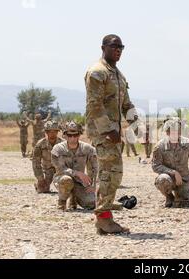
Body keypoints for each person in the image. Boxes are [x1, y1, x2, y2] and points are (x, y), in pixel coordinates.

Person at [85, 34, 137, 234]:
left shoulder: (118, 74)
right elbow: (94, 105)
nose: (118, 50)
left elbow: (126, 104)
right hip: (103, 132)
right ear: (103, 47)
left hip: (113, 131)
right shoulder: (97, 72)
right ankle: (104, 220)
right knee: (109, 173)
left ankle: (104, 218)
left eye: (121, 47)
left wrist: (136, 123)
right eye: (114, 46)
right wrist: (109, 130)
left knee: (113, 173)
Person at [152, 119, 189, 208]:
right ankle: (169, 197)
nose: (174, 133)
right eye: (171, 131)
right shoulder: (160, 146)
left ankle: (179, 197)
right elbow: (155, 165)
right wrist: (173, 172)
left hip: (185, 180)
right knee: (162, 180)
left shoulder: (188, 144)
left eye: (177, 131)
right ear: (167, 132)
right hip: (169, 179)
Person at [51, 121, 97, 211]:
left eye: (75, 135)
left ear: (79, 135)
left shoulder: (87, 149)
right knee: (67, 180)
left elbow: (95, 167)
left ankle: (74, 198)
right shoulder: (58, 149)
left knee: (91, 204)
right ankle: (62, 202)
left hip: (79, 182)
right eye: (69, 135)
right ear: (65, 135)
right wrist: (77, 173)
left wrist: (94, 185)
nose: (72, 138)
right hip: (62, 179)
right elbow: (59, 168)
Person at [32, 121, 64, 193]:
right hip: (48, 170)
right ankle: (38, 185)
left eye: (55, 132)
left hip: (61, 170)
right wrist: (40, 178)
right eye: (50, 132)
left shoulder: (63, 144)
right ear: (46, 132)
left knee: (66, 188)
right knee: (43, 189)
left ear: (57, 132)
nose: (52, 134)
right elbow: (36, 163)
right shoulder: (40, 144)